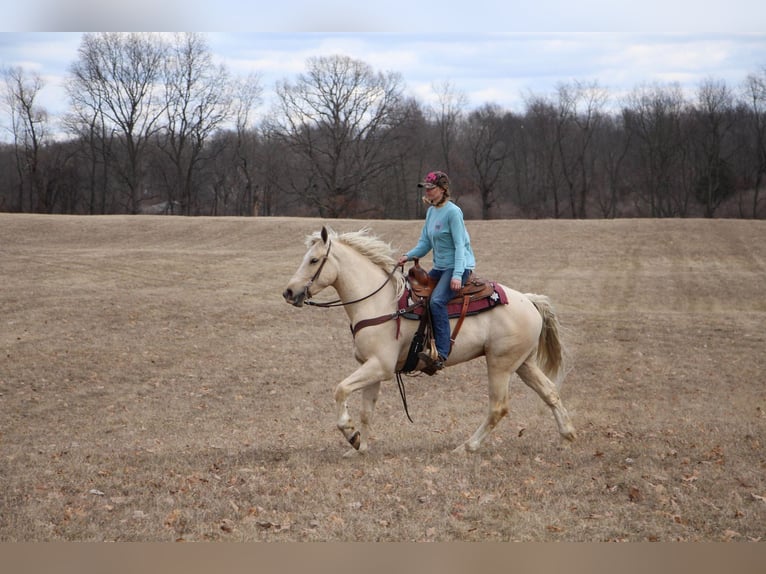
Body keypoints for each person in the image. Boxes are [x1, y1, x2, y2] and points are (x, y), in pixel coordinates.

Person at [397, 170, 476, 372]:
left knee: (437, 301)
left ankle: (441, 353)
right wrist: (408, 255)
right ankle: (422, 342)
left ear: (443, 189)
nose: (428, 191)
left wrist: (458, 275)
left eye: (431, 188)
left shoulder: (453, 212)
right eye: (426, 188)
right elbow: (425, 243)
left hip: (458, 266)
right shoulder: (432, 212)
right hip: (440, 267)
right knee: (413, 291)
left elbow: (460, 246)